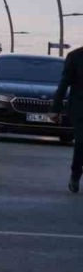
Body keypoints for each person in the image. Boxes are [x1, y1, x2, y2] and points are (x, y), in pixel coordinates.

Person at [52, 47, 83, 193]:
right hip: (80, 109)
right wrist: (55, 108)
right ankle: (76, 174)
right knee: (81, 142)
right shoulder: (75, 56)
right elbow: (64, 83)